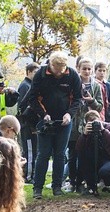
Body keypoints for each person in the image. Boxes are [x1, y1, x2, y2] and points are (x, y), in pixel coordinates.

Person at [27, 51, 82, 199]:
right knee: (43, 154)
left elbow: (77, 98)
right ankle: (37, 188)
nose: (58, 73)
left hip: (64, 121)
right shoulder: (41, 75)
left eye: (61, 69)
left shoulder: (72, 76)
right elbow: (32, 98)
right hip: (44, 119)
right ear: (50, 64)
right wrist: (43, 114)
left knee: (60, 154)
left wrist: (69, 114)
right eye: (56, 69)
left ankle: (57, 186)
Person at [68, 57, 104, 193]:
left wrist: (91, 101)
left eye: (89, 69)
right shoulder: (73, 84)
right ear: (78, 69)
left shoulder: (96, 86)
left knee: (87, 154)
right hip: (74, 124)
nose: (87, 71)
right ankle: (72, 181)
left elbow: (100, 107)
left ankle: (85, 181)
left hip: (89, 124)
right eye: (84, 69)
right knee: (72, 154)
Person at [75, 110, 110, 195]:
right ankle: (91, 187)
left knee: (104, 172)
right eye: (91, 123)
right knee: (83, 158)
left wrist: (103, 130)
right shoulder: (88, 130)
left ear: (101, 119)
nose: (95, 125)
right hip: (97, 159)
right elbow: (79, 149)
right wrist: (85, 134)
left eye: (96, 122)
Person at [17, 62, 40, 183]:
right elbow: (23, 107)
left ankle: (31, 174)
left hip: (31, 124)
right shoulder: (25, 86)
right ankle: (28, 176)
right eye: (35, 72)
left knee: (33, 150)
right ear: (29, 72)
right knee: (30, 151)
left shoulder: (32, 85)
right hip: (27, 125)